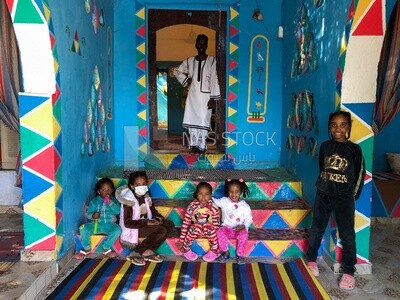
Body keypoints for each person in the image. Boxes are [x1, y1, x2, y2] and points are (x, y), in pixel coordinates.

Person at [306, 111, 365, 290]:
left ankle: (348, 271)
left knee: (347, 234)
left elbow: (359, 175)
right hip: (323, 194)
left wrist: (351, 197)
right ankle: (311, 260)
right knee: (317, 228)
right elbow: (322, 167)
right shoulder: (324, 146)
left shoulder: (355, 149)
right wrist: (324, 186)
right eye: (333, 124)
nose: (337, 128)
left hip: (344, 198)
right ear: (329, 127)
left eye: (342, 125)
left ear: (348, 127)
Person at [173, 34, 221, 154]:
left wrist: (213, 99)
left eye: (203, 43)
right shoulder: (189, 61)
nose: (201, 45)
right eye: (199, 43)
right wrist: (186, 80)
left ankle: (201, 146)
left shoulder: (212, 61)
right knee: (192, 122)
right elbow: (176, 71)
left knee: (203, 121)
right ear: (195, 45)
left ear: (206, 45)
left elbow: (214, 79)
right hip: (193, 97)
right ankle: (193, 145)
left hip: (206, 98)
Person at [116, 170, 174, 266]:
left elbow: (153, 210)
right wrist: (147, 223)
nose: (142, 187)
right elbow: (127, 223)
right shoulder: (129, 201)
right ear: (132, 186)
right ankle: (136, 252)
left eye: (144, 184)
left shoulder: (146, 196)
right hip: (133, 229)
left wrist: (159, 218)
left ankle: (148, 251)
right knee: (161, 230)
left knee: (169, 224)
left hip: (146, 223)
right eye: (138, 185)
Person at [176, 181, 220, 262]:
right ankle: (186, 249)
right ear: (196, 194)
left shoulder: (213, 207)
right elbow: (186, 224)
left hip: (209, 232)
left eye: (207, 194)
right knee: (196, 226)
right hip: (195, 231)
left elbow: (216, 225)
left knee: (208, 226)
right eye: (200, 194)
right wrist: (181, 240)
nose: (203, 197)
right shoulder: (192, 207)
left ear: (211, 195)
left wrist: (218, 241)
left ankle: (214, 250)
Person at [78, 178, 121, 258]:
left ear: (112, 191)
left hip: (110, 225)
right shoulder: (94, 201)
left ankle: (106, 248)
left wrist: (110, 203)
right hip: (96, 225)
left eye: (109, 189)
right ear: (99, 192)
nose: (107, 192)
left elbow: (117, 211)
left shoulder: (114, 201)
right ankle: (87, 248)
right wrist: (93, 215)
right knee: (83, 228)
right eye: (104, 190)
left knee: (117, 230)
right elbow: (88, 214)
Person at [213, 178, 252, 264]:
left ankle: (239, 255)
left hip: (239, 229)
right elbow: (214, 201)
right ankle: (225, 252)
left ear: (241, 192)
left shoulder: (244, 206)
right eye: (231, 192)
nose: (234, 194)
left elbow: (249, 218)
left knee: (244, 234)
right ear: (227, 192)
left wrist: (243, 226)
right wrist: (206, 197)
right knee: (219, 231)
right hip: (227, 228)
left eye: (236, 192)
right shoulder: (224, 201)